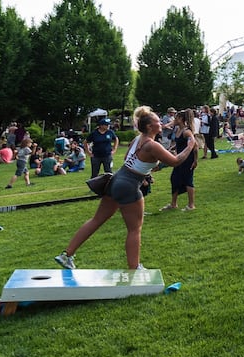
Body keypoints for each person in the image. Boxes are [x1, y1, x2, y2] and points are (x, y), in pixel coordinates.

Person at [56, 107, 195, 270]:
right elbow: (176, 161)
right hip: (128, 185)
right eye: (158, 121)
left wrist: (145, 173)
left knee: (97, 220)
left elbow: (130, 159)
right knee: (134, 229)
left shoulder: (138, 139)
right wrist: (190, 145)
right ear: (150, 127)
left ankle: (67, 255)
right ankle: (134, 268)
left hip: (116, 180)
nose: (162, 123)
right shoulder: (152, 145)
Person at [161, 108, 200, 210]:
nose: (174, 120)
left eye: (176, 118)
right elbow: (180, 143)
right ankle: (173, 204)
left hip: (188, 159)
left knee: (188, 180)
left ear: (181, 119)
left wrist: (196, 160)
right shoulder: (178, 130)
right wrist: (172, 148)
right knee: (174, 179)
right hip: (179, 159)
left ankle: (191, 205)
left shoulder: (187, 132)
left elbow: (194, 145)